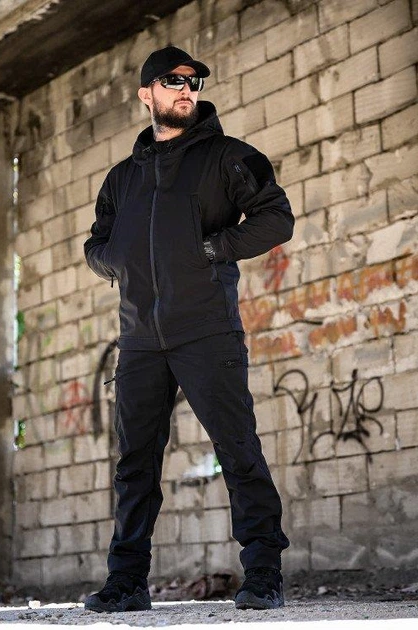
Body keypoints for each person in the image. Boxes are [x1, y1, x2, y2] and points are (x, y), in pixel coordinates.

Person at [83, 45, 294, 612]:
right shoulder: (122, 178)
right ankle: (127, 583)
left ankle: (264, 574)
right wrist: (118, 261)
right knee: (135, 464)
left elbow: (277, 218)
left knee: (237, 448)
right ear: (145, 94)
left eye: (193, 82)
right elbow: (96, 243)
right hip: (140, 339)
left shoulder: (229, 157)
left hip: (206, 329)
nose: (186, 90)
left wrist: (212, 249)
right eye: (172, 82)